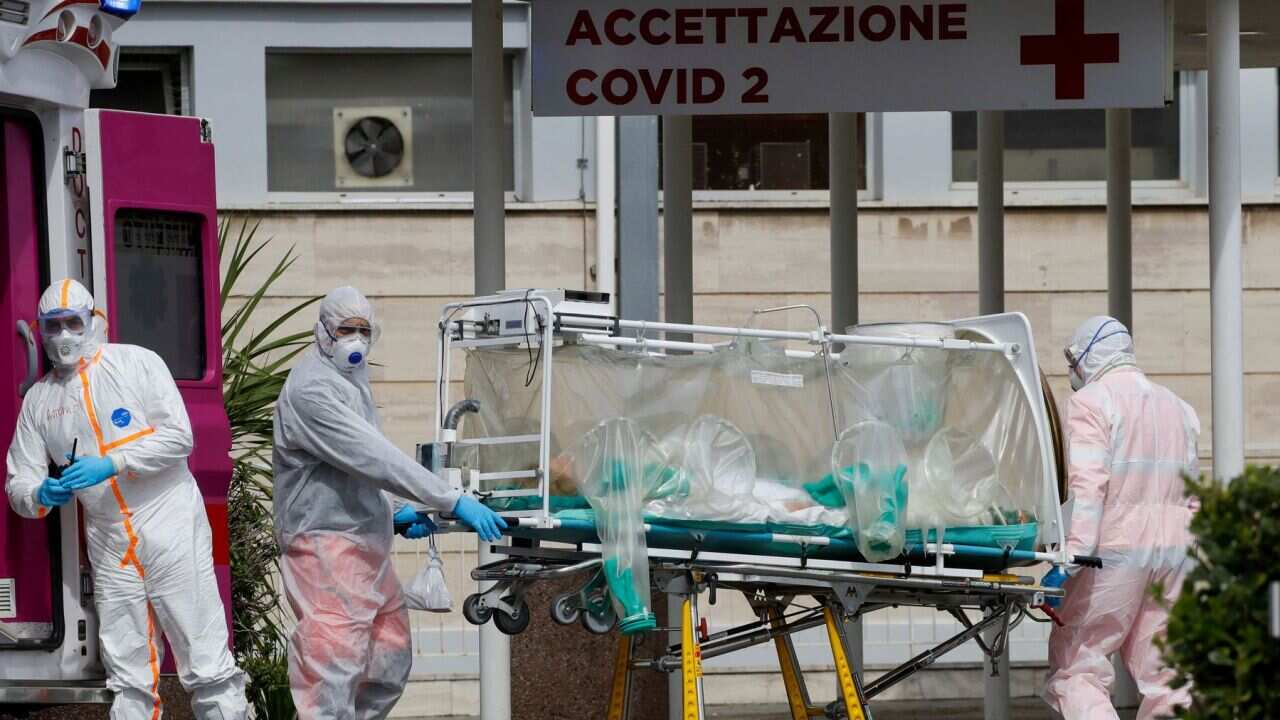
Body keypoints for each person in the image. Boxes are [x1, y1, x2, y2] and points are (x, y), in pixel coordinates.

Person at [5, 278, 246, 720]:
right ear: (38, 331)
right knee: (129, 677)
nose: (62, 337)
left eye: (72, 323)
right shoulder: (40, 401)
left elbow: (180, 438)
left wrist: (113, 462)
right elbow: (19, 482)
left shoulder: (135, 364)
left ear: (92, 320)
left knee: (206, 661)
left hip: (169, 520)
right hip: (109, 538)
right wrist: (42, 493)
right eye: (51, 327)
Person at [272, 286, 506, 719]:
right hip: (324, 541)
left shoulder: (350, 382)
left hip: (363, 540)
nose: (355, 340)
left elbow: (360, 463)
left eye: (364, 330)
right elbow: (372, 456)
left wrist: (395, 510)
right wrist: (451, 500)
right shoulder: (312, 390)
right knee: (334, 666)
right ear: (323, 332)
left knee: (389, 658)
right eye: (346, 329)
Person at [1042, 316, 1200, 720]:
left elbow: (1087, 490)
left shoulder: (1093, 402)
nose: (1073, 374)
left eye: (1073, 362)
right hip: (1173, 557)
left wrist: (1068, 561)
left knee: (1077, 668)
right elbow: (1193, 496)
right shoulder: (1180, 408)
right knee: (1170, 676)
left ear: (1089, 356)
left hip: (1113, 556)